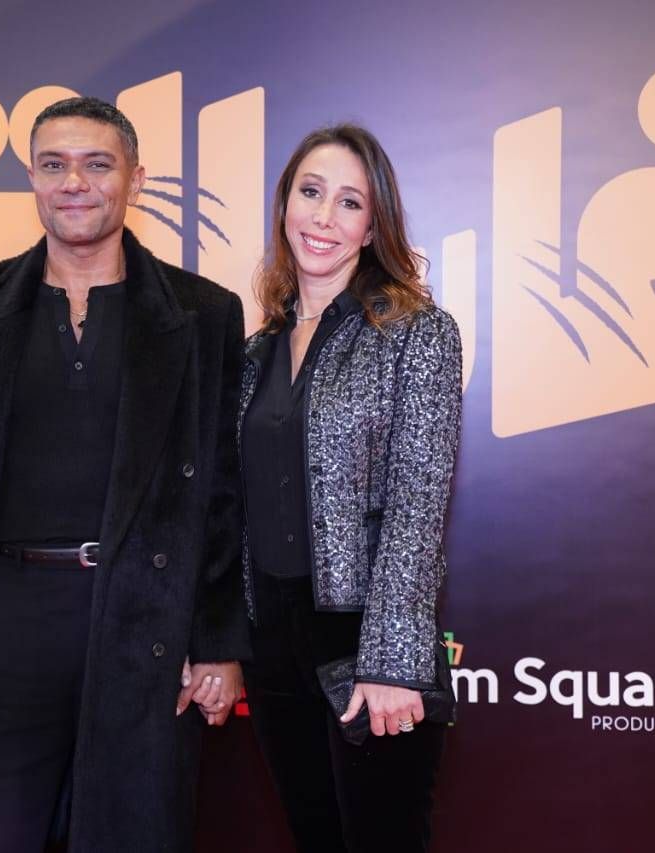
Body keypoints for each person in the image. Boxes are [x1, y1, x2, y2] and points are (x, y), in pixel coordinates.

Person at [0, 96, 248, 853]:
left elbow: (221, 488)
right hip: (2, 615)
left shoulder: (204, 314)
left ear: (135, 178)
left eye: (97, 164)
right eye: (54, 165)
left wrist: (216, 640)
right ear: (33, 180)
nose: (74, 182)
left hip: (142, 619)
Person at [238, 124, 462, 852]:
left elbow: (417, 506)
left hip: (364, 637)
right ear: (285, 205)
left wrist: (392, 661)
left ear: (372, 227)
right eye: (310, 193)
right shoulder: (255, 350)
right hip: (271, 641)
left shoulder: (416, 333)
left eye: (349, 202)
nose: (324, 217)